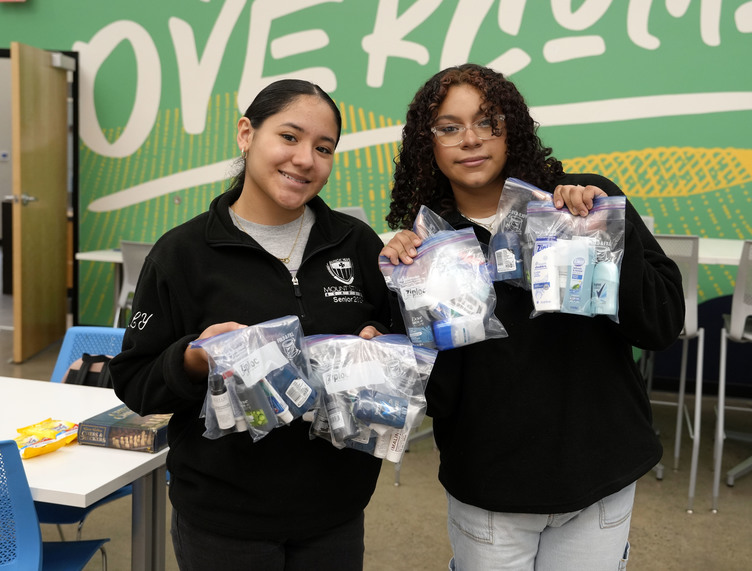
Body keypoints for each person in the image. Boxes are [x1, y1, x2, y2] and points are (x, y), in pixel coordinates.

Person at [381, 64, 685, 570]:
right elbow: (435, 397)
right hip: (490, 486)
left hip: (599, 471)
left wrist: (603, 229)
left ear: (512, 127)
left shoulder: (583, 200)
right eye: (449, 127)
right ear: (426, 144)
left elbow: (660, 324)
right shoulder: (426, 248)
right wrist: (410, 294)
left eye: (488, 121)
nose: (471, 139)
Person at [110, 79, 393, 571]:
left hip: (336, 511)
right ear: (246, 134)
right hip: (224, 519)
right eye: (289, 137)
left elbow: (396, 339)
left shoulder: (356, 242)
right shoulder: (182, 254)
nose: (305, 159)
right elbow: (135, 381)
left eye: (323, 148)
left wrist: (380, 345)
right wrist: (193, 359)